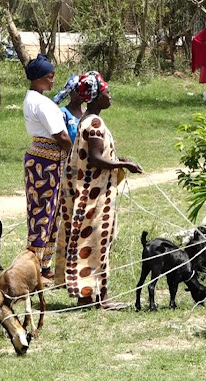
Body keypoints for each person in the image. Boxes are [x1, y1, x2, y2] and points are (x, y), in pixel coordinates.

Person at [55, 71, 143, 309]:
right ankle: (92, 296)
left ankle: (96, 295)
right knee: (93, 241)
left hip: (89, 190)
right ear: (95, 96)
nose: (110, 96)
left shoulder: (86, 119)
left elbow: (99, 155)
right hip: (93, 194)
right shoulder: (93, 122)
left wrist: (116, 158)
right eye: (106, 92)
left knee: (95, 240)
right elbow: (94, 159)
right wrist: (125, 165)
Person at [22, 54, 72, 279]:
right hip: (46, 164)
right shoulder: (41, 103)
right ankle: (34, 268)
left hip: (43, 160)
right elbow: (60, 135)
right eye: (50, 77)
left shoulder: (33, 99)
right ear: (40, 78)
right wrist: (74, 151)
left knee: (50, 214)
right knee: (42, 214)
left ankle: (43, 265)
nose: (53, 81)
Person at [52, 74, 84, 145]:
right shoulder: (62, 114)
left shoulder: (88, 113)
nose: (81, 94)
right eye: (77, 91)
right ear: (70, 92)